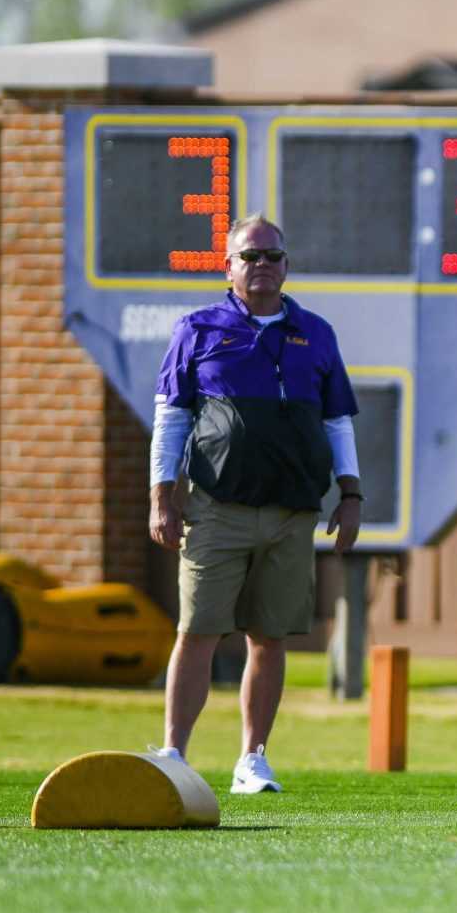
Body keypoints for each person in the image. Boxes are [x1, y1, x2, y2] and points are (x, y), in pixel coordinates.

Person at [149, 215, 360, 795]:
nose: (261, 265)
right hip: (217, 507)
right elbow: (171, 420)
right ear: (229, 266)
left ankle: (253, 758)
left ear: (287, 265)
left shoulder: (315, 333)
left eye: (272, 256)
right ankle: (174, 752)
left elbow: (337, 419)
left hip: (292, 510)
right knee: (198, 629)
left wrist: (351, 493)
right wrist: (162, 497)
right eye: (250, 256)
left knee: (268, 636)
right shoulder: (197, 329)